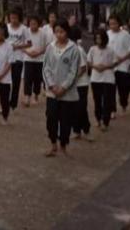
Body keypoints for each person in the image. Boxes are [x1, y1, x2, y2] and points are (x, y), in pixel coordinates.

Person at [42, 19, 80, 157]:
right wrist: (52, 86)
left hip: (67, 94)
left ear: (67, 32)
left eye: (62, 31)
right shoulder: (50, 47)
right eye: (57, 31)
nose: (59, 34)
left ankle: (63, 144)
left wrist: (63, 88)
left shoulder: (73, 49)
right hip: (52, 92)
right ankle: (53, 144)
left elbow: (73, 72)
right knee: (51, 118)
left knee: (65, 121)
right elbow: (46, 68)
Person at [87, 30, 116, 131]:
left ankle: (105, 121)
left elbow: (114, 63)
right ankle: (98, 118)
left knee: (107, 101)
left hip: (108, 78)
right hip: (95, 78)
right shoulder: (92, 49)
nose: (98, 40)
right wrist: (95, 66)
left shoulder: (110, 50)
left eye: (100, 38)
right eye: (97, 38)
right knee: (97, 100)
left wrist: (105, 67)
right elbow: (89, 62)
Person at [107, 15, 130, 117]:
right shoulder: (107, 34)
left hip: (123, 66)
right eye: (110, 24)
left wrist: (121, 59)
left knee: (123, 89)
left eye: (114, 23)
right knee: (111, 89)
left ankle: (124, 103)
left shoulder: (125, 35)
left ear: (119, 23)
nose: (112, 26)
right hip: (111, 66)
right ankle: (112, 110)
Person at [6, 8, 31, 112]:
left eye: (15, 18)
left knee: (16, 82)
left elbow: (29, 43)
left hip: (18, 58)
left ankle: (13, 104)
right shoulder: (6, 27)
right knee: (6, 82)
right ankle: (5, 103)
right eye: (11, 18)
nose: (13, 20)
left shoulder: (24, 29)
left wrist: (18, 46)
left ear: (19, 18)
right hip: (7, 58)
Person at [22, 15, 50, 107]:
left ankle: (36, 95)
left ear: (39, 24)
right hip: (28, 58)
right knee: (27, 78)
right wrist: (28, 53)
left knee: (37, 79)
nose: (33, 26)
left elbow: (47, 46)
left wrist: (38, 53)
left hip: (39, 59)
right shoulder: (25, 32)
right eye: (31, 24)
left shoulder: (43, 33)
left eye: (35, 24)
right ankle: (27, 96)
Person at [72, 40, 93, 141]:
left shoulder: (78, 50)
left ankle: (86, 131)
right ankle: (77, 131)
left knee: (81, 108)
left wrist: (72, 79)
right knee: (74, 108)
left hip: (81, 84)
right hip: (72, 85)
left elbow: (83, 68)